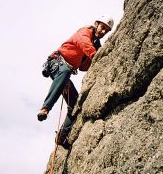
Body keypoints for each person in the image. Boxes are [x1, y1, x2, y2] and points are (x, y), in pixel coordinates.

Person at [37, 16, 114, 149]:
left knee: (75, 104)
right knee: (66, 72)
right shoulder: (85, 32)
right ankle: (45, 108)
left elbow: (85, 66)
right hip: (57, 63)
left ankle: (62, 136)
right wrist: (95, 55)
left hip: (65, 72)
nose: (103, 32)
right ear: (96, 24)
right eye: (102, 28)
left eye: (106, 31)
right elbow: (83, 43)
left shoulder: (95, 43)